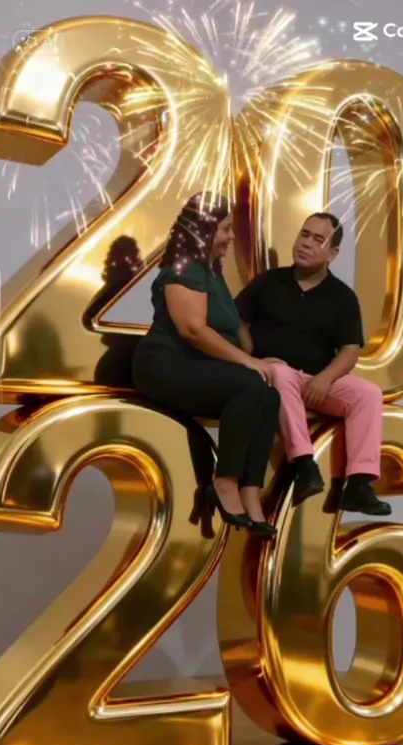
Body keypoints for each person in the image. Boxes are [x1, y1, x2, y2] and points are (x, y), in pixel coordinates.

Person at [132, 192, 280, 537]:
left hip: (195, 365)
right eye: (225, 229)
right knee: (249, 386)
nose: (231, 237)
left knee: (269, 395)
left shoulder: (212, 270)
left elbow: (229, 330)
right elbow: (194, 330)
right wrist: (247, 362)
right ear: (203, 230)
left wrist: (259, 359)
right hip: (164, 365)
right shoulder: (184, 268)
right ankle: (224, 482)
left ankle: (250, 493)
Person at [235, 212, 391, 516]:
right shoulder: (269, 281)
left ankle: (359, 484)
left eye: (318, 239)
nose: (306, 243)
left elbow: (349, 351)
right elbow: (237, 321)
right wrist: (251, 357)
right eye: (304, 235)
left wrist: (324, 379)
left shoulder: (342, 297)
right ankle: (305, 465)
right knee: (278, 373)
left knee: (368, 394)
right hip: (273, 372)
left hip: (315, 380)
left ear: (332, 253)